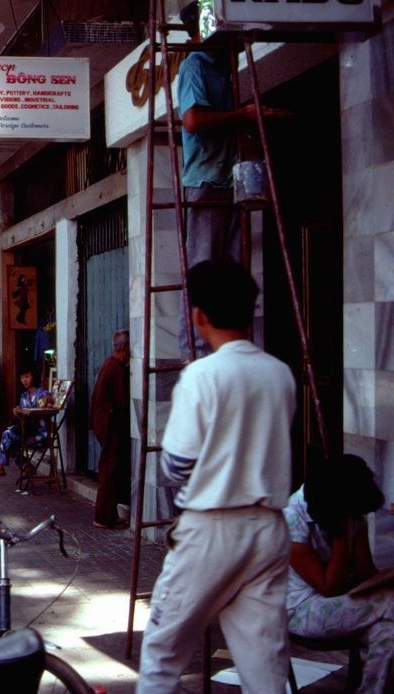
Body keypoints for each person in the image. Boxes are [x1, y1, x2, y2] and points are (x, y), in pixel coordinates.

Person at [137, 260, 295, 692]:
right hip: (268, 528)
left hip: (212, 528)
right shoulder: (280, 373)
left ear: (198, 315)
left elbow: (174, 466)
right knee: (264, 665)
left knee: (163, 653)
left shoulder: (202, 375)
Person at [175, 1, 286, 359]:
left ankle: (230, 342)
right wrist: (243, 115)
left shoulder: (224, 65)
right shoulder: (195, 65)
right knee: (203, 265)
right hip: (207, 177)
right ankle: (193, 350)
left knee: (232, 267)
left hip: (230, 177)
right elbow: (192, 121)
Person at [283, 455, 392, 692]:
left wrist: (384, 579)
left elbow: (365, 572)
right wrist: (341, 534)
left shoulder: (351, 508)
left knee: (389, 632)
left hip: (345, 600)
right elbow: (328, 586)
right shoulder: (292, 518)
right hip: (303, 610)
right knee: (391, 602)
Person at [91, 330, 131, 529]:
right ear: (123, 349)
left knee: (110, 470)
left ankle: (108, 515)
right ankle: (103, 517)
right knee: (109, 471)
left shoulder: (109, 364)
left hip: (104, 424)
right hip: (110, 426)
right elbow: (122, 401)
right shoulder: (115, 368)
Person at [0, 367, 49, 480]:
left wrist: (45, 402)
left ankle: (0, 467)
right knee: (10, 441)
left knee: (7, 435)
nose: (24, 380)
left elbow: (42, 407)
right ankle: (26, 466)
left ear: (34, 377)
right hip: (26, 432)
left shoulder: (42, 393)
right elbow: (24, 419)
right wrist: (18, 412)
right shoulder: (23, 396)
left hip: (39, 435)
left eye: (27, 377)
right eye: (22, 377)